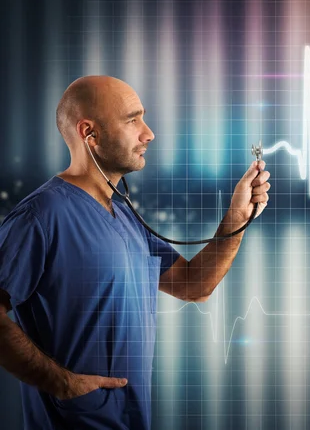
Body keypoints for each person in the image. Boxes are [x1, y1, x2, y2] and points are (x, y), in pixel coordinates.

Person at [0, 76, 271, 429]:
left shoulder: (124, 213)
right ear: (89, 134)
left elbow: (194, 285)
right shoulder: (42, 216)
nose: (149, 134)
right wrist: (61, 382)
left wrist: (237, 216)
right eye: (133, 120)